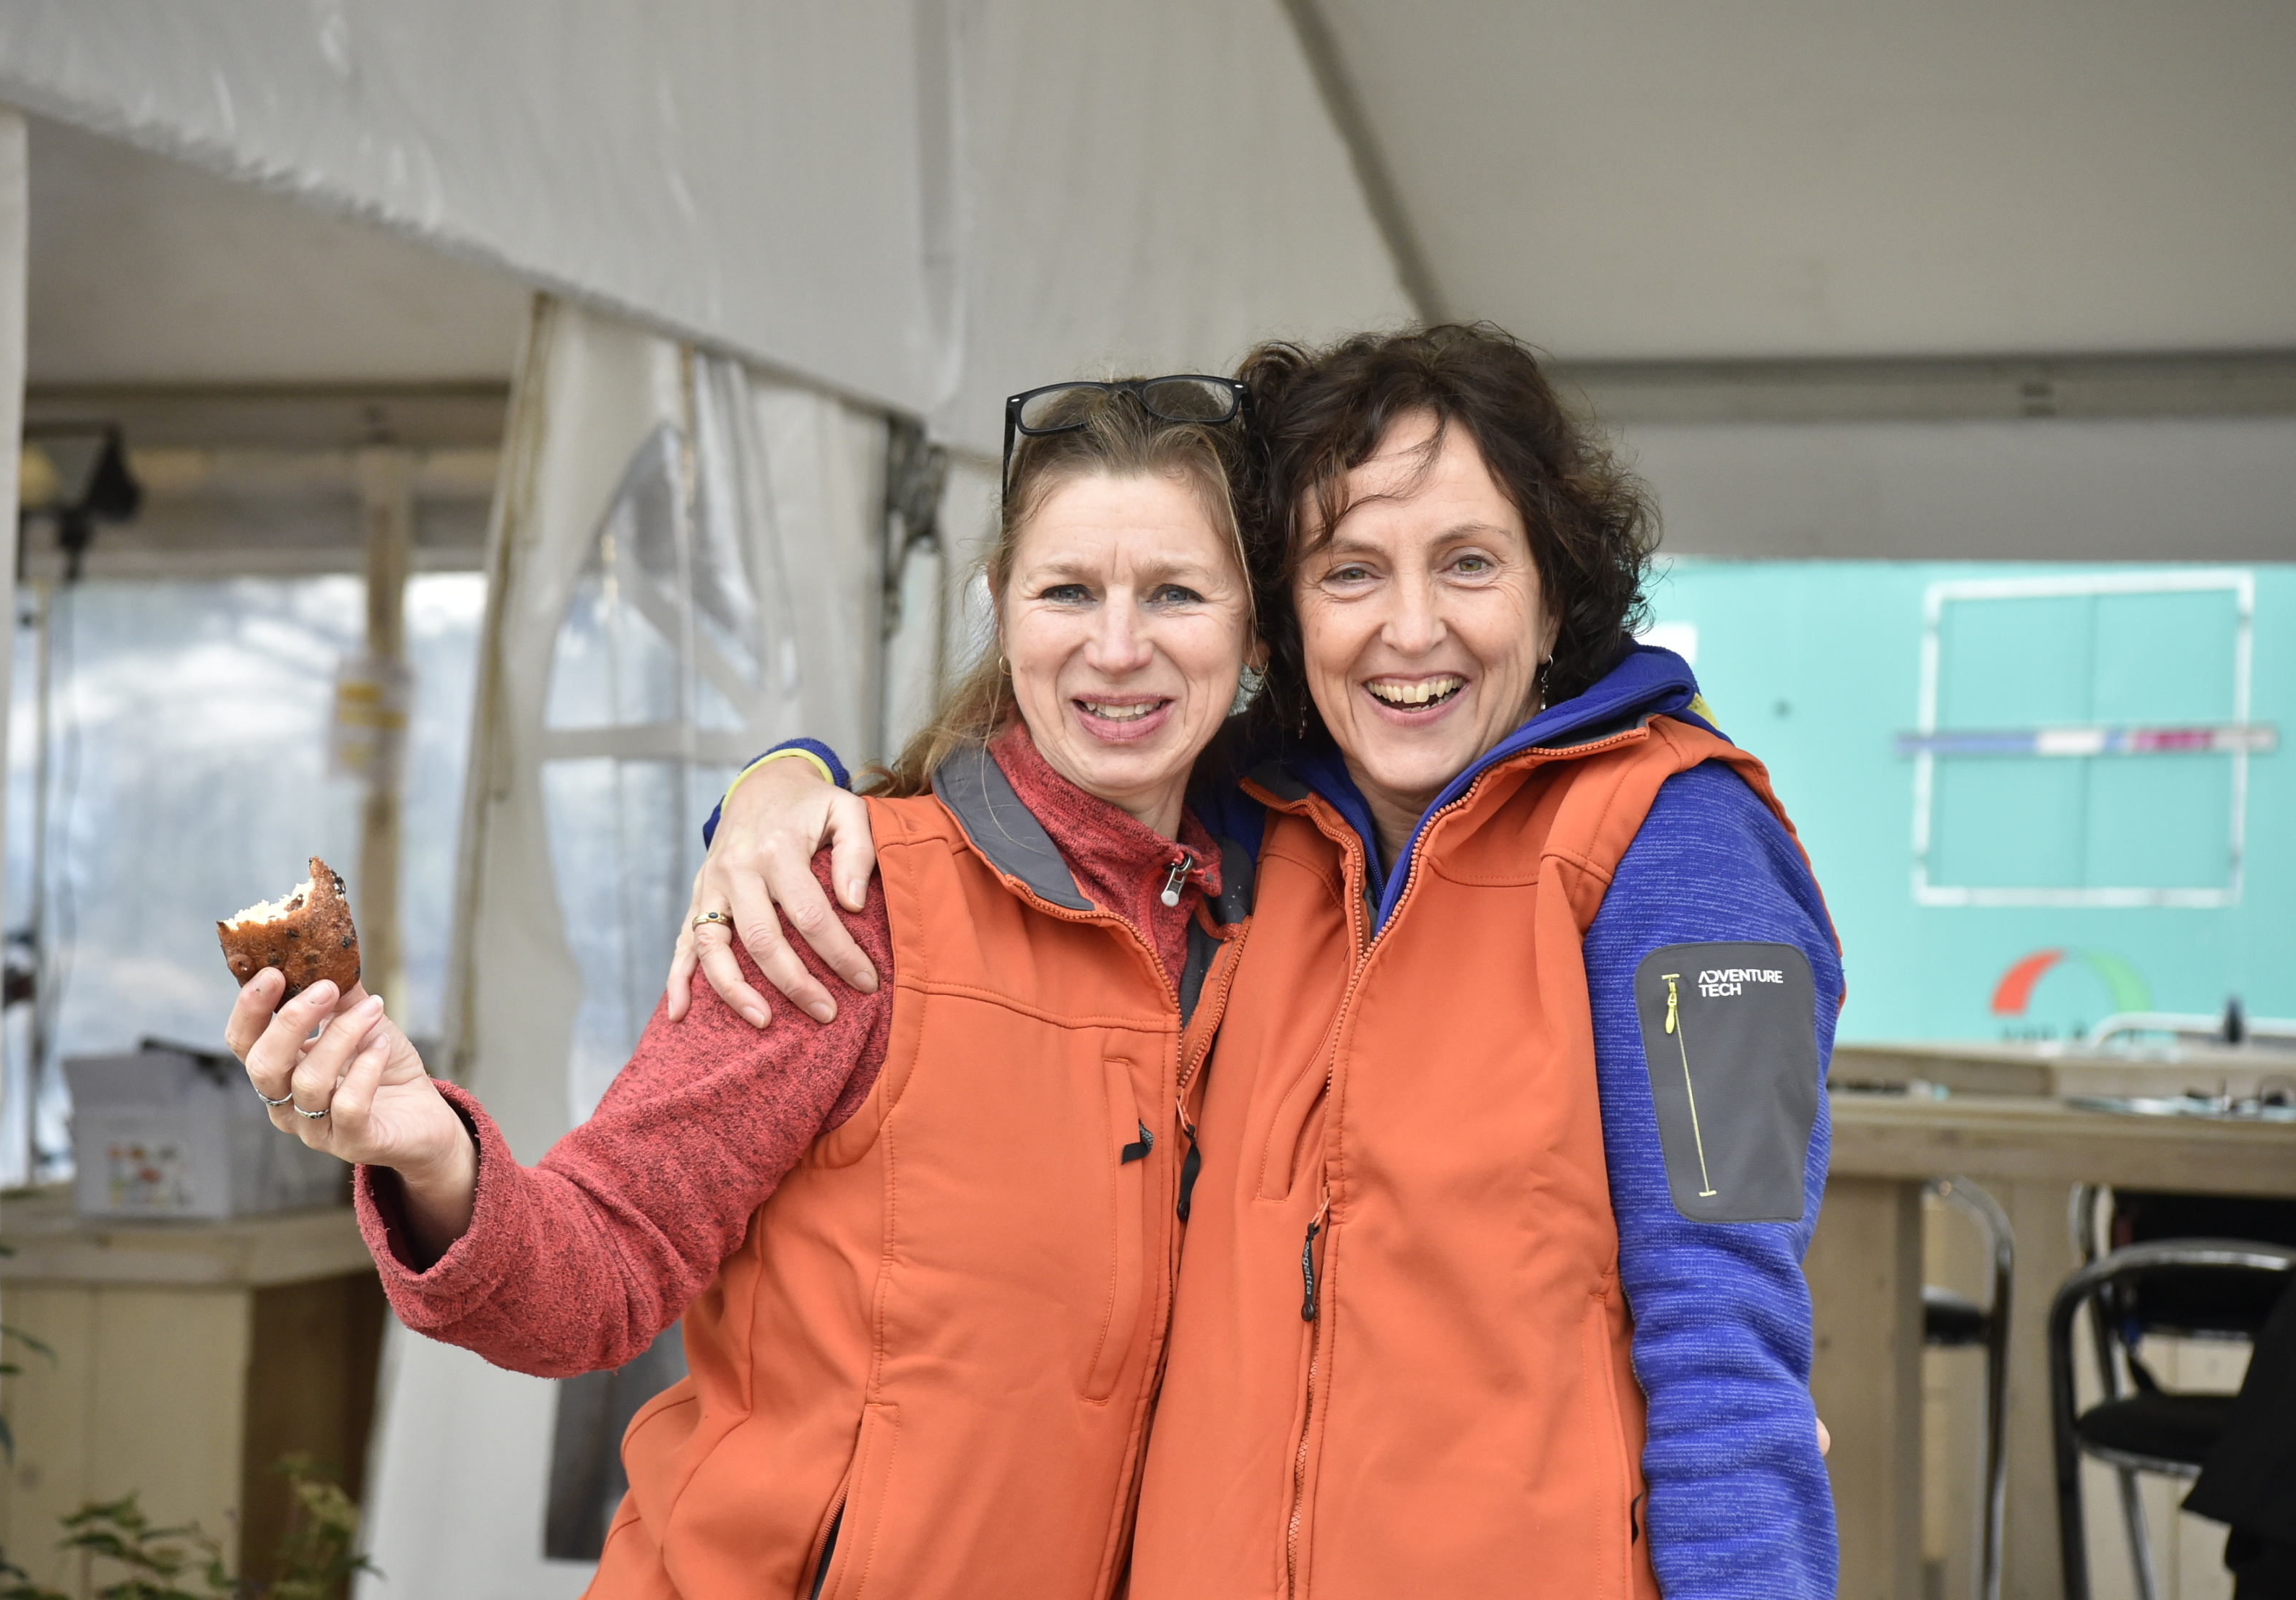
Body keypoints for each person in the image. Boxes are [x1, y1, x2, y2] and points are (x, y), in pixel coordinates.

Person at [684, 323, 1844, 1597]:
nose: (1411, 628)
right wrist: (778, 783)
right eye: (1350, 571)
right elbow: (1004, 798)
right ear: (1281, 616)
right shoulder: (1237, 822)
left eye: (1468, 562)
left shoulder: (1691, 852)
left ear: (1554, 594)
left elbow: (1728, 1343)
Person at [224, 378, 1270, 1599]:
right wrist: (436, 1159)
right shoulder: (848, 900)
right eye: (1067, 591)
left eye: (1176, 592)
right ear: (998, 607)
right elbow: (601, 1267)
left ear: (1256, 628)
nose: (1118, 646)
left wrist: (778, 768)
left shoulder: (1279, 921)